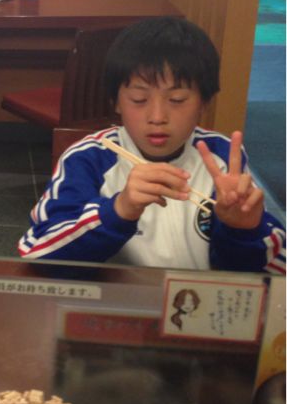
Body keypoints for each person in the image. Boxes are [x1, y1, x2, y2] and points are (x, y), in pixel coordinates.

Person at [19, 17, 285, 273]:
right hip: (114, 302)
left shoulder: (222, 157)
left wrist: (243, 230)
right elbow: (40, 253)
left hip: (199, 300)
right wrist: (119, 210)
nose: (157, 117)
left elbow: (263, 269)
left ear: (204, 102)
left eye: (177, 100)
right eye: (138, 99)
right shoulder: (89, 158)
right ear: (116, 102)